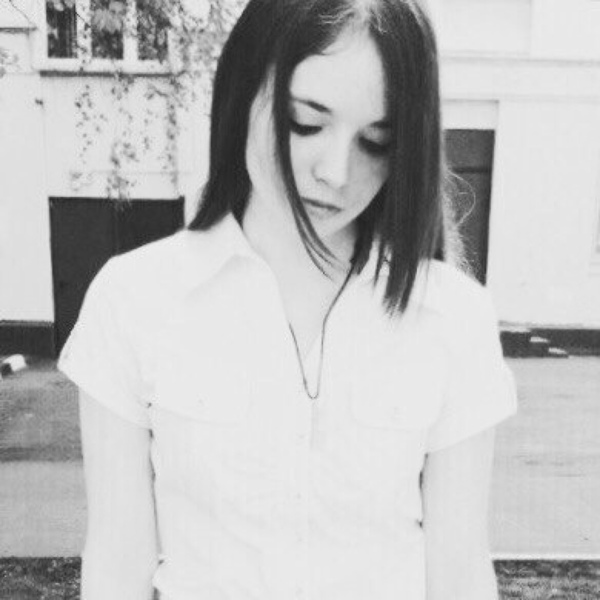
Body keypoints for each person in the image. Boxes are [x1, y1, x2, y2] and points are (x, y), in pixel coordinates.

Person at [58, 0, 518, 598]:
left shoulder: (452, 317)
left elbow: (458, 573)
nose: (336, 171)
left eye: (377, 142)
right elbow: (117, 567)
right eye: (306, 123)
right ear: (243, 91)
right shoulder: (135, 300)